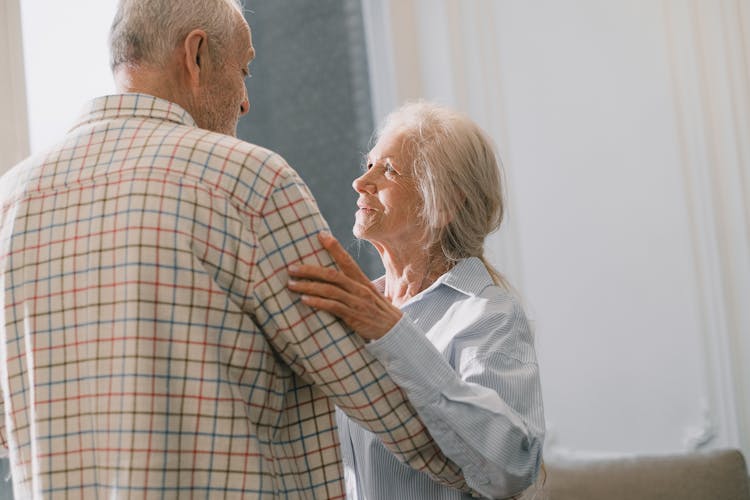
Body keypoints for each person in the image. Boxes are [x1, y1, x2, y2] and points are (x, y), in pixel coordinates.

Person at [0, 2, 469, 498]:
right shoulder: (251, 182)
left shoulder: (11, 201)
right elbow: (378, 398)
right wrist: (486, 462)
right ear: (196, 54)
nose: (245, 101)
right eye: (244, 70)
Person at [288, 101, 546, 499]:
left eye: (387, 169)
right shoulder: (351, 310)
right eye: (369, 163)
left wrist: (392, 333)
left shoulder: (488, 314)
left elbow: (511, 466)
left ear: (443, 204)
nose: (361, 181)